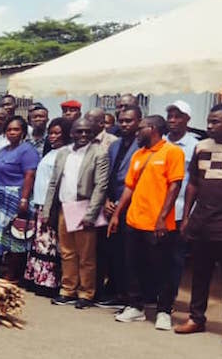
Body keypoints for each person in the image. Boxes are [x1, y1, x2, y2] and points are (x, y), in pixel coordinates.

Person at [175, 102, 222, 344]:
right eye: (208, 121)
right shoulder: (201, 147)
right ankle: (196, 318)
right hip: (202, 222)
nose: (209, 126)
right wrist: (186, 216)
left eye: (215, 122)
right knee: (200, 274)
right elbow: (193, 184)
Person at [108, 115, 185, 330]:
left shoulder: (172, 152)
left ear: (152, 129)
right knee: (133, 266)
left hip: (158, 224)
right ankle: (136, 307)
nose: (136, 132)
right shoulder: (138, 155)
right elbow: (129, 187)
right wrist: (117, 214)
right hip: (134, 221)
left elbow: (175, 186)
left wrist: (162, 218)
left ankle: (163, 311)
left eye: (140, 128)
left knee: (162, 269)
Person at [41, 117, 109, 308]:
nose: (83, 135)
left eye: (88, 131)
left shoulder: (99, 153)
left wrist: (91, 215)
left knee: (86, 255)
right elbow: (53, 183)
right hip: (65, 207)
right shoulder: (63, 153)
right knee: (67, 253)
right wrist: (47, 210)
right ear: (72, 133)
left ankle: (86, 293)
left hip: (84, 207)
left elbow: (100, 186)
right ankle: (68, 290)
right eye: (79, 131)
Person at [96, 106, 141, 308]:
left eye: (129, 121)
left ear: (139, 121)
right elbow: (107, 175)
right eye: (121, 120)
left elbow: (136, 181)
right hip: (111, 203)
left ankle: (127, 296)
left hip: (131, 204)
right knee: (111, 250)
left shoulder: (142, 146)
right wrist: (106, 200)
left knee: (129, 253)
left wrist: (120, 204)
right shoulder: (114, 145)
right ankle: (113, 290)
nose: (124, 124)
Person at [0, 116, 39, 281]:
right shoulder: (4, 150)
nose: (12, 132)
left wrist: (24, 199)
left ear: (23, 132)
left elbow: (29, 175)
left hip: (16, 196)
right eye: (9, 129)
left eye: (16, 129)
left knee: (15, 236)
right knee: (0, 236)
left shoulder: (27, 150)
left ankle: (12, 275)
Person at [24, 117, 72, 295]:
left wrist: (50, 208)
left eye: (57, 133)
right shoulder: (50, 152)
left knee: (49, 244)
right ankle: (36, 278)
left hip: (51, 205)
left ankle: (48, 282)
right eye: (50, 133)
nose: (53, 136)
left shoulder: (66, 152)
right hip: (39, 203)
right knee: (39, 244)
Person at [164, 99, 200, 304]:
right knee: (154, 256)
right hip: (157, 210)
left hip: (179, 211)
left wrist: (190, 214)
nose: (173, 120)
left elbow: (196, 182)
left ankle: (169, 298)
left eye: (178, 116)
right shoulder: (159, 142)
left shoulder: (195, 146)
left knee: (176, 258)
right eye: (170, 116)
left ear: (187, 119)